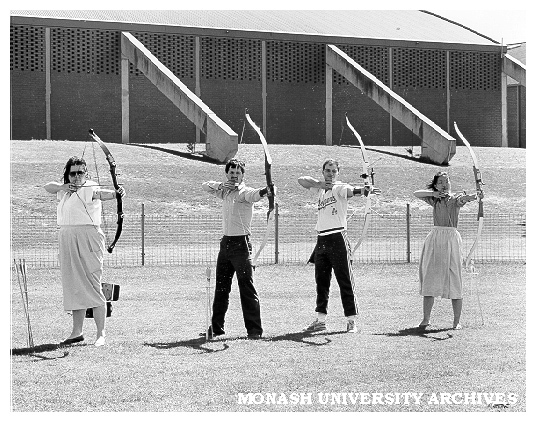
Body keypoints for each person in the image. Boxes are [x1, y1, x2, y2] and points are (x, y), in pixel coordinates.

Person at [44, 156, 125, 347]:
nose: (77, 176)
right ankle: (76, 332)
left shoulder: (90, 187)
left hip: (88, 236)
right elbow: (48, 186)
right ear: (68, 174)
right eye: (73, 173)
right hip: (66, 236)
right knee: (73, 283)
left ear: (86, 173)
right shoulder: (64, 191)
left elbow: (101, 193)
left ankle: (100, 334)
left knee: (92, 283)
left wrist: (116, 193)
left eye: (81, 172)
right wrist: (63, 187)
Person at [298, 159, 380, 333]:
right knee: (321, 281)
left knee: (345, 280)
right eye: (328, 170)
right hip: (322, 239)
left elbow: (351, 191)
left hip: (337, 238)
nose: (331, 174)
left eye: (334, 171)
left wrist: (364, 190)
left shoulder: (339, 187)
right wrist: (320, 184)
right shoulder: (320, 189)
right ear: (322, 171)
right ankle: (320, 320)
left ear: (338, 173)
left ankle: (351, 320)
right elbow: (301, 180)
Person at [201, 159, 275, 339]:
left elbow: (256, 194)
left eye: (238, 173)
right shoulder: (224, 192)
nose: (234, 176)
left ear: (243, 175)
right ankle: (217, 327)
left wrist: (268, 190)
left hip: (241, 245)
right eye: (231, 172)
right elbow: (205, 186)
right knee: (221, 288)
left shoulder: (244, 193)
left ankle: (254, 330)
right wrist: (222, 185)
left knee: (246, 287)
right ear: (227, 174)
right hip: (225, 245)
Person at [414, 171, 483, 330]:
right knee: (430, 275)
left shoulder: (454, 199)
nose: (445, 184)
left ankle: (456, 321)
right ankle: (426, 319)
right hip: (435, 237)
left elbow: (463, 199)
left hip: (451, 238)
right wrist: (435, 194)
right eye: (441, 182)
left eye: (447, 181)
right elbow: (416, 193)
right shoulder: (434, 199)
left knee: (454, 277)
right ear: (436, 185)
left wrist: (475, 196)